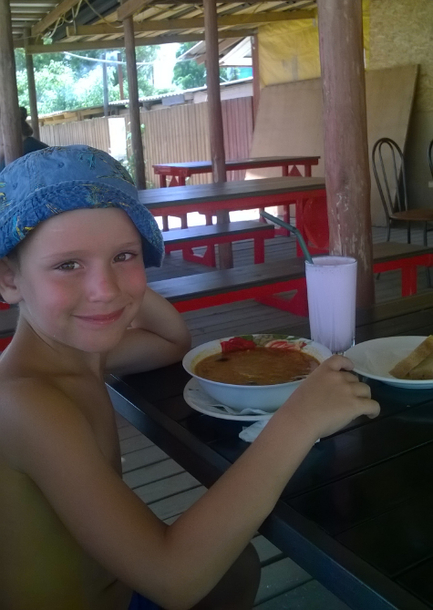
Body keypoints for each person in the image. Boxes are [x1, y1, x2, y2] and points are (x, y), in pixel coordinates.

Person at [0, 145, 380, 610]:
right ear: (9, 280)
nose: (103, 289)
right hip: (140, 586)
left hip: (121, 590)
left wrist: (122, 289)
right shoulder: (23, 403)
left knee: (236, 567)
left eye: (125, 255)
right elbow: (174, 580)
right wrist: (298, 420)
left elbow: (171, 342)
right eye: (67, 265)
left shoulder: (79, 353)